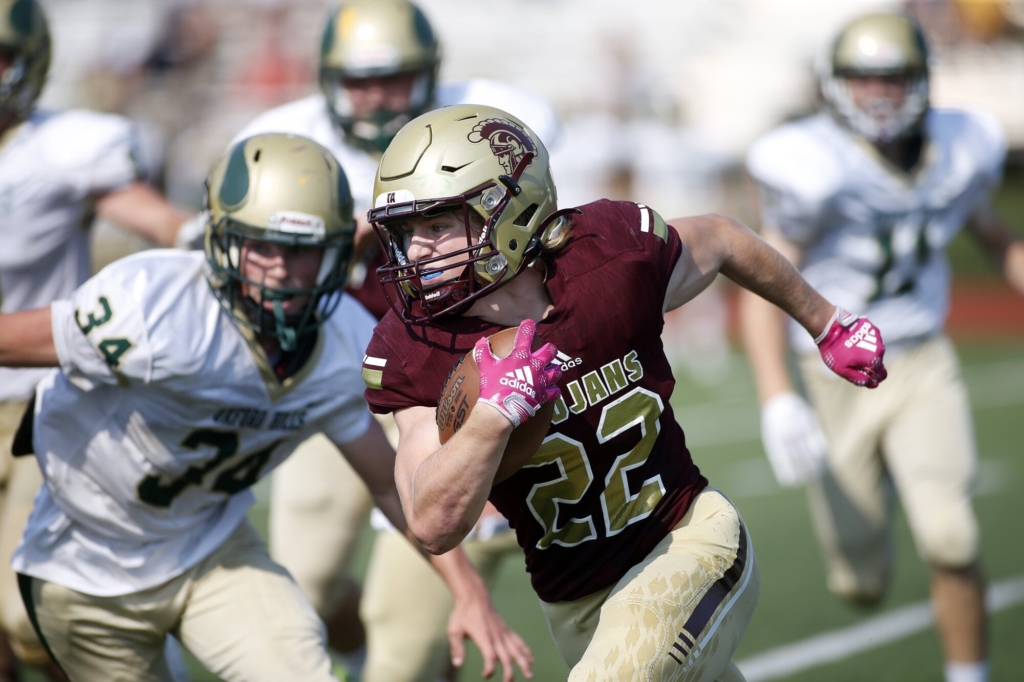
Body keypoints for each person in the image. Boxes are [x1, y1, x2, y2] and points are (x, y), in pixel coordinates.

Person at [361, 103, 888, 682]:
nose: (415, 253)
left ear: (503, 208)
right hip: (574, 601)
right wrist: (493, 415)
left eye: (436, 226)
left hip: (685, 540)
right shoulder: (414, 345)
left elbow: (722, 238)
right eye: (407, 232)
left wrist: (826, 322)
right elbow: (432, 524)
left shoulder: (607, 258)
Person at [0, 132, 531, 682]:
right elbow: (10, 340)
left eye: (302, 251)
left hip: (211, 549)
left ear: (333, 253)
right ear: (224, 241)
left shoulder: (343, 337)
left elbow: (383, 483)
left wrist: (468, 592)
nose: (280, 269)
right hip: (83, 563)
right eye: (264, 246)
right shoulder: (151, 306)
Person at [229, 1, 559, 678]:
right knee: (303, 592)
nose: (375, 97)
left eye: (394, 79)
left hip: (448, 382)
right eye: (358, 81)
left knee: (403, 645)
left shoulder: (486, 125)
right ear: (327, 80)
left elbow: (533, 250)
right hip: (334, 382)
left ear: (430, 73)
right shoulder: (284, 137)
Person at [740, 12, 1024, 682]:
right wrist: (778, 397)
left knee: (951, 537)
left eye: (894, 77)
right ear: (835, 86)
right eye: (863, 79)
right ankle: (884, 483)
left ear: (922, 80)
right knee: (860, 585)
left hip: (921, 358)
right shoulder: (810, 164)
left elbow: (992, 234)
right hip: (833, 370)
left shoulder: (963, 144)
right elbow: (763, 280)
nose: (880, 93)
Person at [0, 1, 192, 677]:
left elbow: (154, 217)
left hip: (40, 404)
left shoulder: (62, 146)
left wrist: (210, 240)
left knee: (33, 618)